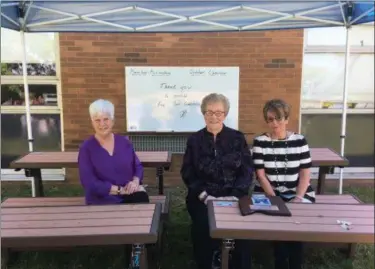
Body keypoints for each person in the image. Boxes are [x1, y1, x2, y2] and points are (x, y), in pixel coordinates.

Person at [181, 93, 253, 269]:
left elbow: (247, 170)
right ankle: (207, 261)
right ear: (203, 114)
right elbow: (188, 171)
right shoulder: (194, 140)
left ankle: (235, 262)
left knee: (241, 228)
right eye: (209, 112)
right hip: (203, 196)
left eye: (218, 112)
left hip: (233, 194)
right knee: (203, 225)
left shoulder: (237, 138)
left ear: (225, 114)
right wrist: (204, 195)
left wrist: (236, 195)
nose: (214, 116)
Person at [252, 99, 315, 269]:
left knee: (297, 219)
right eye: (270, 119)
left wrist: (299, 197)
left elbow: (305, 174)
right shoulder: (260, 142)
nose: (275, 123)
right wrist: (275, 199)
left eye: (279, 118)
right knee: (278, 217)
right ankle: (280, 261)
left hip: (298, 191)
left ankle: (295, 262)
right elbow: (261, 175)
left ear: (286, 119)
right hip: (268, 192)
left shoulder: (300, 141)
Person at [78, 99, 149, 205]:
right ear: (92, 122)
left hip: (129, 195)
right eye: (97, 120)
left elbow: (137, 166)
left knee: (143, 200)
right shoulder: (86, 148)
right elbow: (89, 183)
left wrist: (135, 181)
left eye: (106, 119)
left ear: (112, 120)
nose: (102, 124)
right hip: (102, 200)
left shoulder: (124, 143)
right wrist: (120, 190)